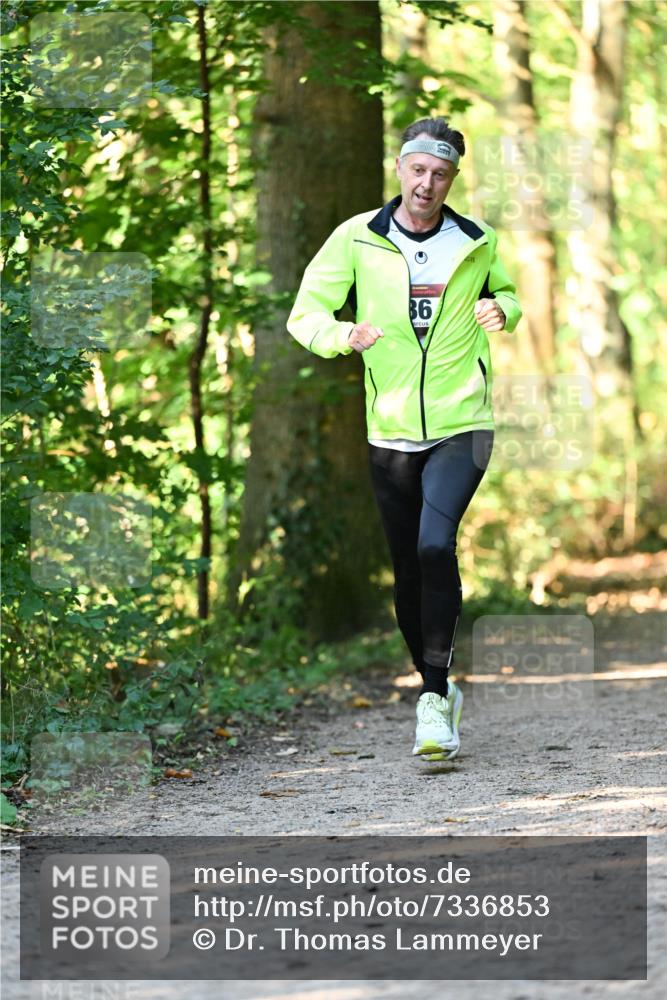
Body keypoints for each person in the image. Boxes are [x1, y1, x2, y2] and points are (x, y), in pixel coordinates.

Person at [287, 117, 521, 761]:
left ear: (451, 179)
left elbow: (506, 290)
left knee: (434, 543)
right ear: (400, 168)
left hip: (462, 420)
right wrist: (343, 336)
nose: (427, 183)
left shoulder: (475, 239)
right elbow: (305, 314)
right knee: (406, 568)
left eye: (440, 174)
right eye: (418, 170)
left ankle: (433, 699)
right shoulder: (357, 238)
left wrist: (505, 310)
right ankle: (435, 689)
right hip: (388, 427)